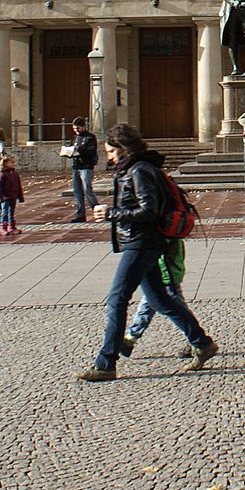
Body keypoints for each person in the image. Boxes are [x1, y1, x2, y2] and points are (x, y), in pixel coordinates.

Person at [77, 123, 218, 381]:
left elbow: (148, 211)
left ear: (124, 148)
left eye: (111, 151)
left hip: (142, 242)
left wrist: (111, 213)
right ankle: (202, 342)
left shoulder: (140, 170)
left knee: (117, 299)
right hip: (144, 241)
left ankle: (106, 362)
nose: (108, 156)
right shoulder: (136, 168)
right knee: (159, 298)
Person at [120, 237, 194, 360]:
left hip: (166, 276)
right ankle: (130, 340)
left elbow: (164, 255)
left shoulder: (163, 231)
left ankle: (197, 341)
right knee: (146, 306)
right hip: (160, 275)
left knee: (179, 310)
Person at [67, 117, 99, 222]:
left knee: (87, 189)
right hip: (76, 166)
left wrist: (79, 149)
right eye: (74, 128)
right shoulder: (74, 138)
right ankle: (80, 214)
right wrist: (68, 152)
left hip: (86, 167)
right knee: (77, 191)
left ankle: (97, 210)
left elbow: (92, 152)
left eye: (78, 128)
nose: (76, 130)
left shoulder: (90, 137)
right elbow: (71, 148)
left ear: (84, 127)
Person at [0, 153, 25, 236]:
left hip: (13, 196)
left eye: (14, 162)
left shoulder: (14, 174)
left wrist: (20, 197)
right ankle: (3, 226)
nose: (13, 164)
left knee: (11, 211)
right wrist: (0, 198)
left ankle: (11, 226)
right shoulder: (2, 174)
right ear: (6, 163)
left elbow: (19, 186)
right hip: (5, 197)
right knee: (5, 212)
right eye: (11, 162)